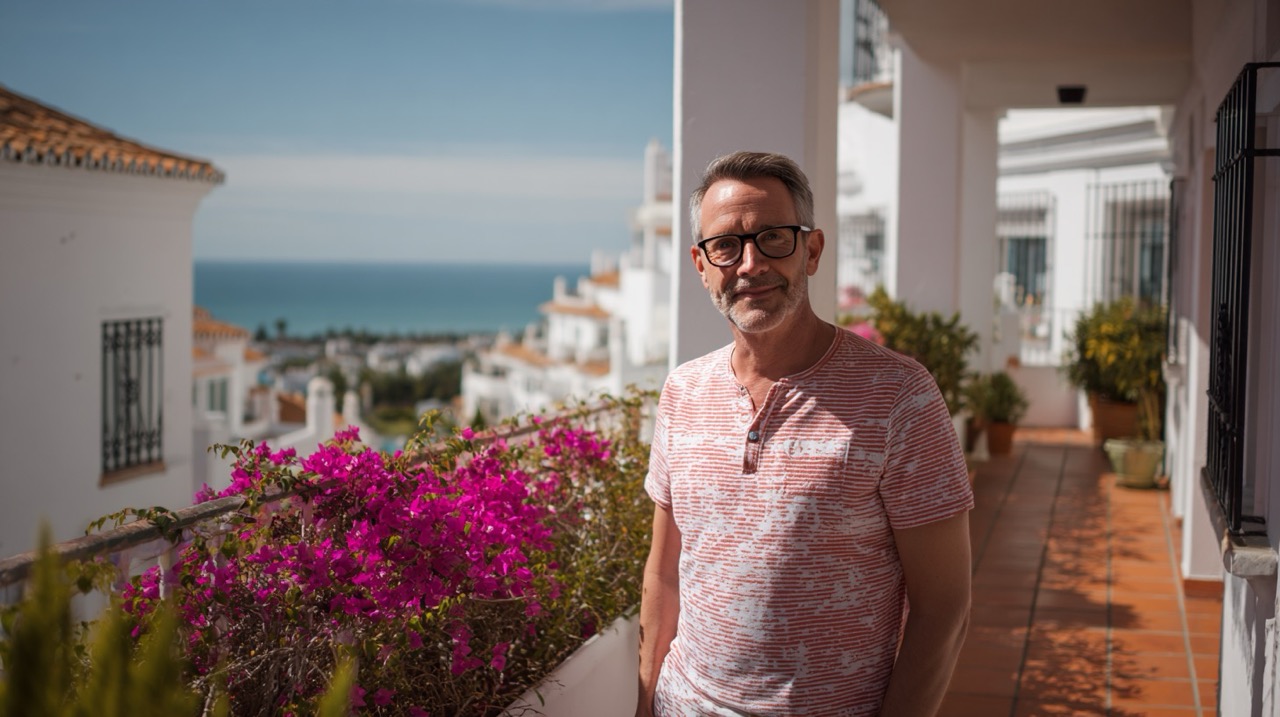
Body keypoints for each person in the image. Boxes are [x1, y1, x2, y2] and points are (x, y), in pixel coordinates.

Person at [636, 151, 974, 717]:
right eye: (726, 245)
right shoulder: (682, 392)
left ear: (811, 251)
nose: (749, 264)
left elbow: (945, 607)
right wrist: (645, 703)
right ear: (701, 264)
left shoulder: (899, 396)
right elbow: (664, 573)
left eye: (774, 238)